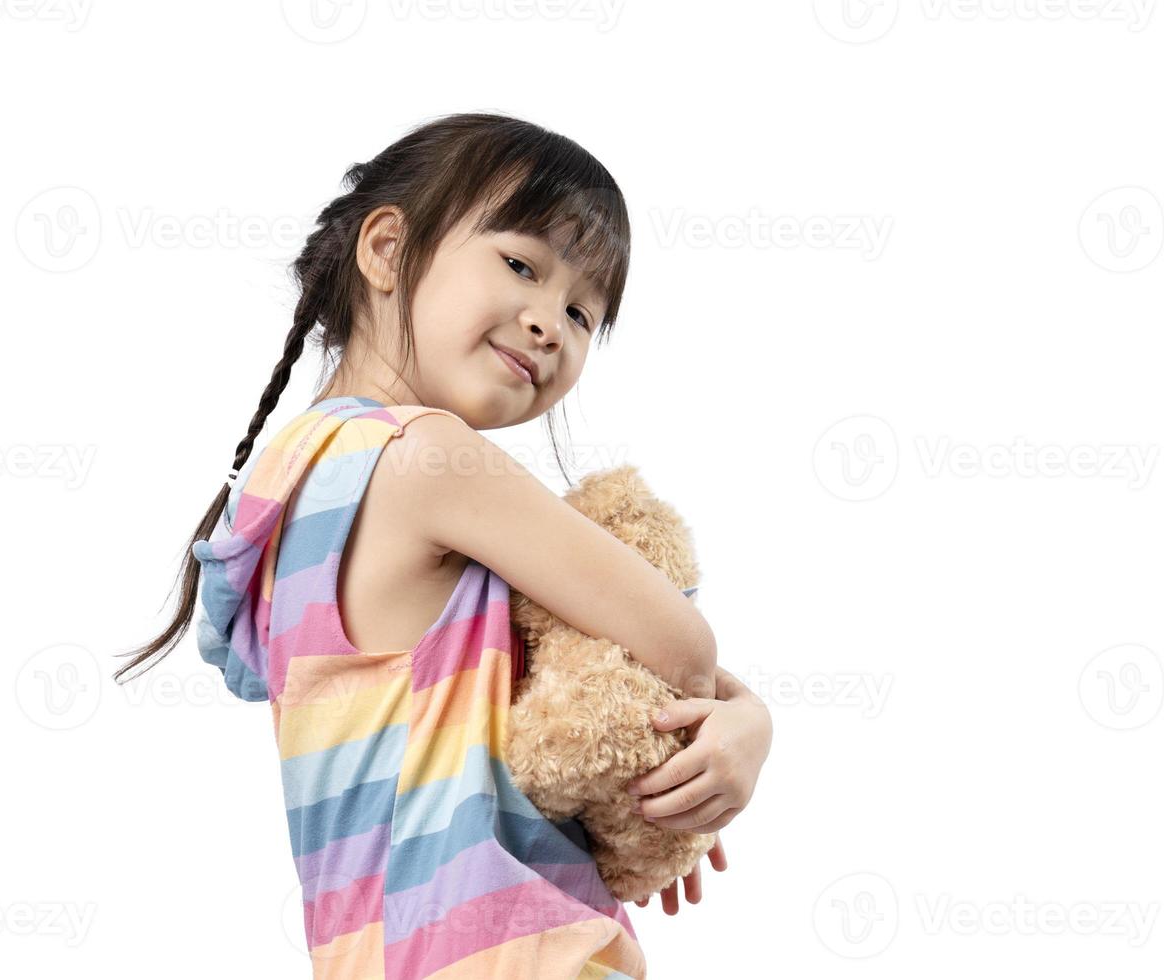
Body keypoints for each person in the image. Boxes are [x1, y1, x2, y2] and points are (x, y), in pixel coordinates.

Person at [116, 111, 774, 979]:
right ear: (386, 249)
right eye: (519, 265)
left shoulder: (290, 483)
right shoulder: (428, 455)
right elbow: (683, 648)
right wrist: (748, 724)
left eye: (581, 311)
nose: (548, 321)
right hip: (517, 951)